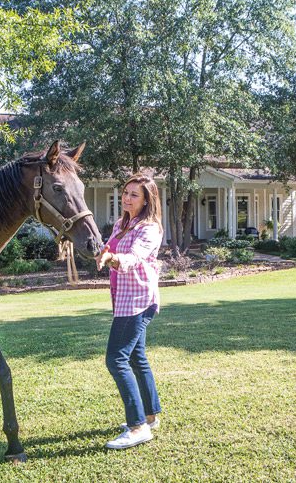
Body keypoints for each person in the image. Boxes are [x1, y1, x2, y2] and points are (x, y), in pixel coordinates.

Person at [95, 174, 163, 449]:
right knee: (137, 358)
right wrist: (95, 250)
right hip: (123, 298)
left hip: (137, 301)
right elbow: (107, 249)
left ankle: (137, 427)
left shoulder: (149, 228)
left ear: (147, 199)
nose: (127, 198)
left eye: (135, 194)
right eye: (125, 192)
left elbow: (134, 258)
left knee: (116, 360)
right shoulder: (122, 224)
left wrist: (111, 258)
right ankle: (150, 415)